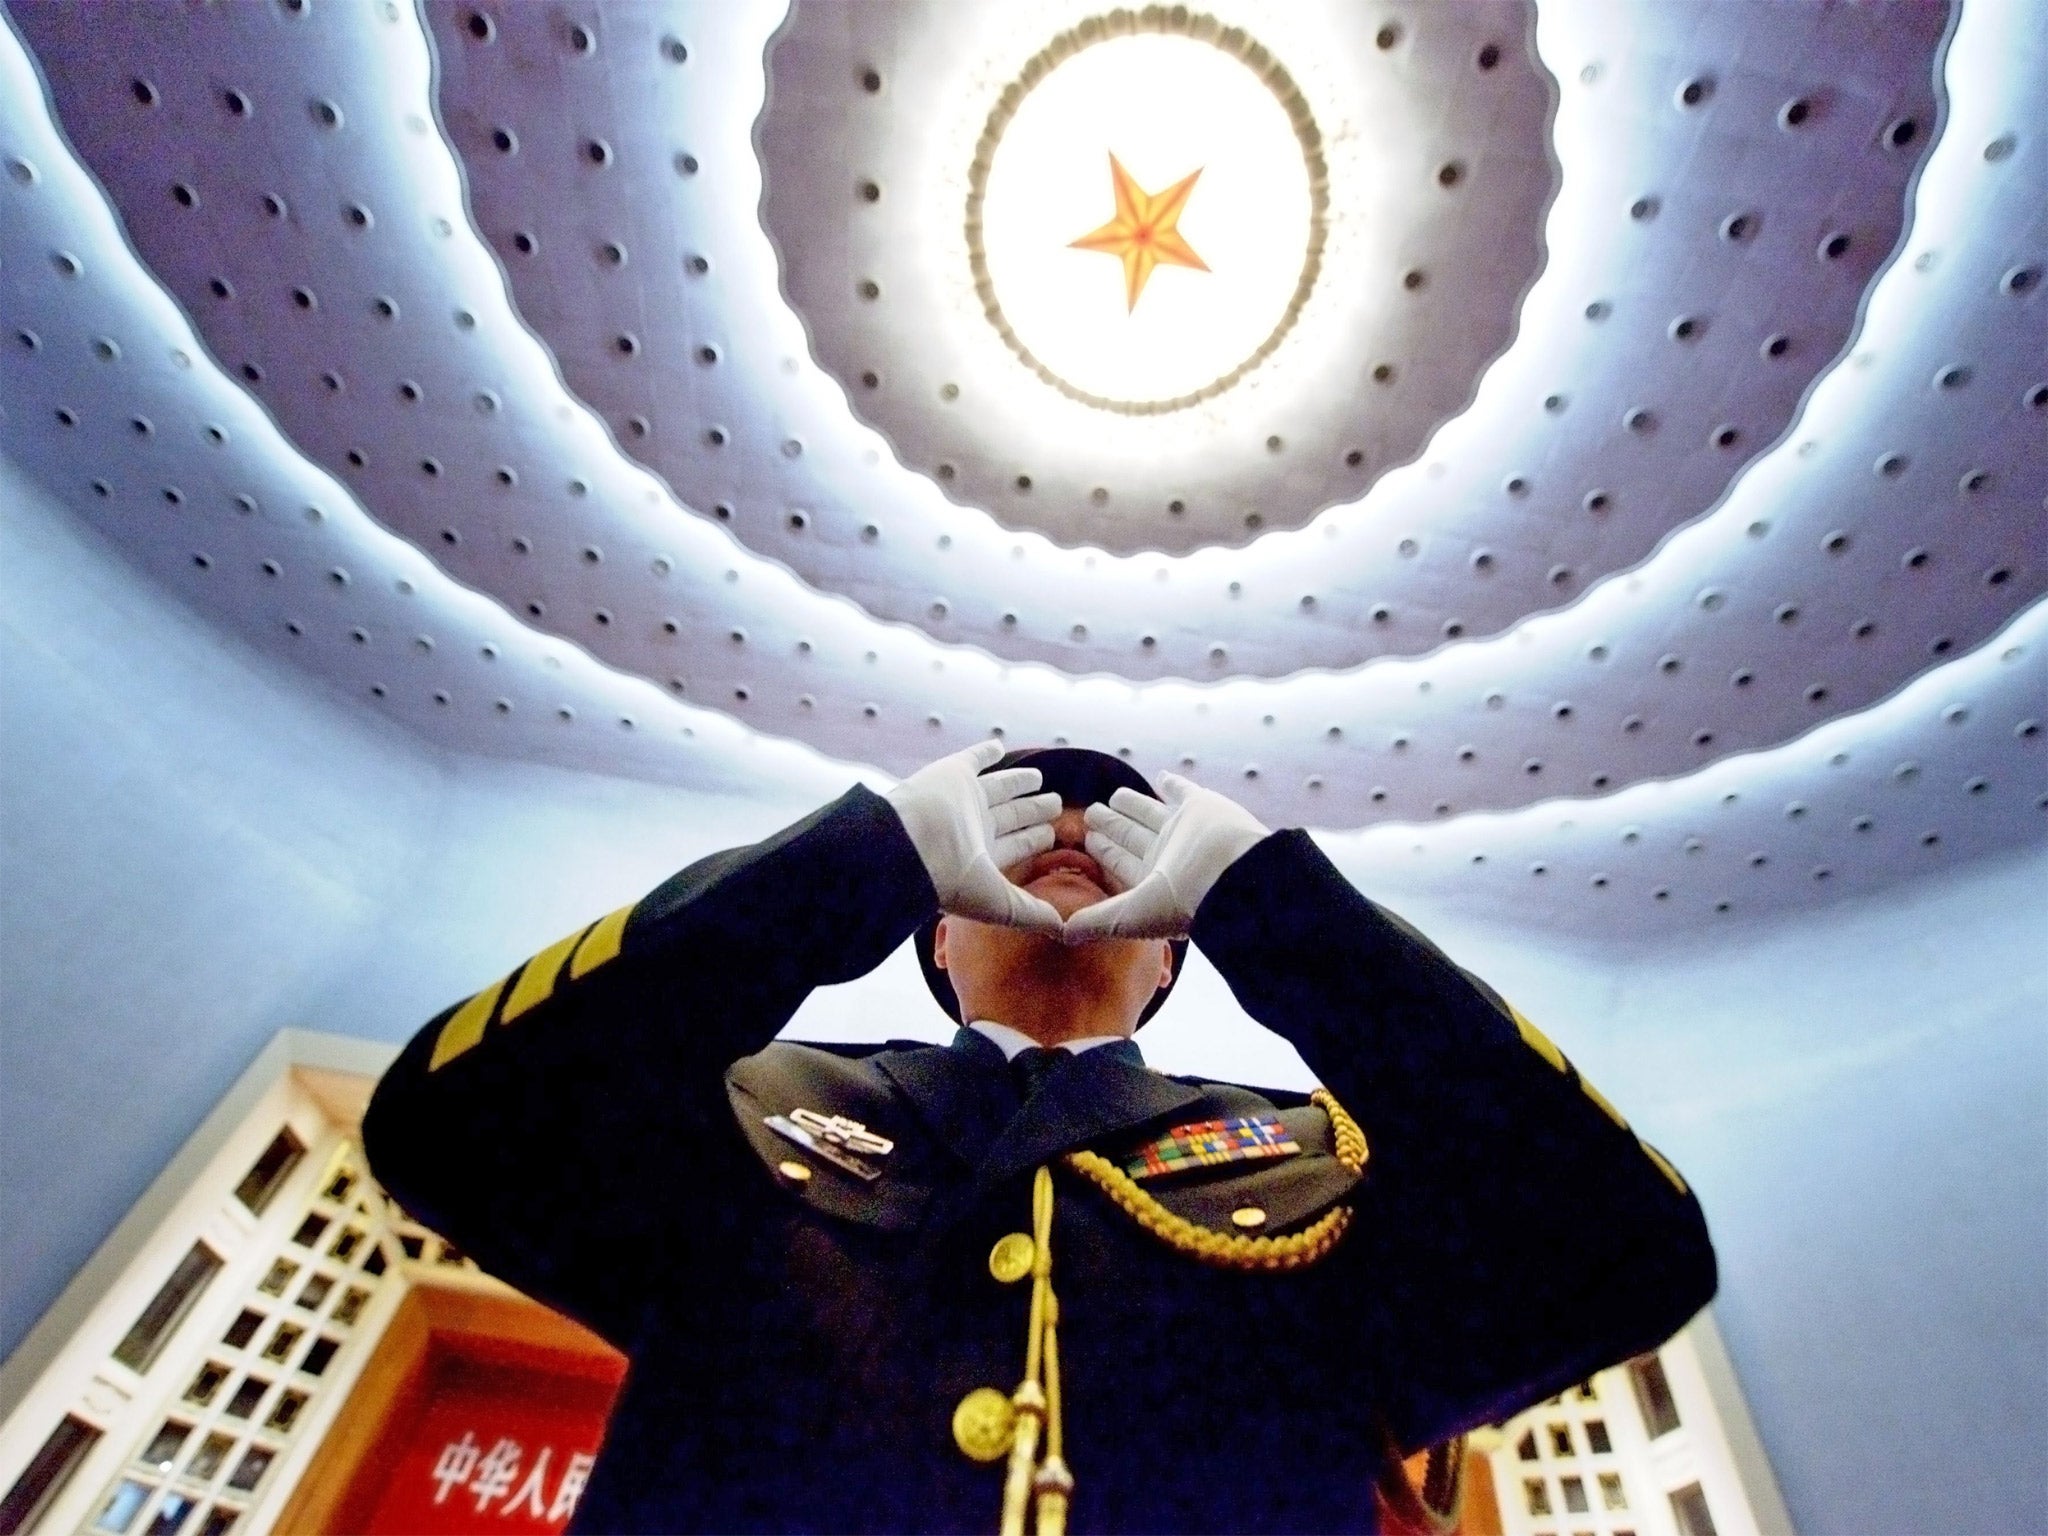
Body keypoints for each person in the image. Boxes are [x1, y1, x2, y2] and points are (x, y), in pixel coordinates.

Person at [362, 742, 1716, 1535]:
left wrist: (1284, 915)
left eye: (1115, 843)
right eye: (1016, 829)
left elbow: (1625, 1250)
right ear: (938, 937)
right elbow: (452, 1124)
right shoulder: (753, 1103)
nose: (1068, 838)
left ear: (1174, 955)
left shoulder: (1318, 1159)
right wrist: (853, 862)